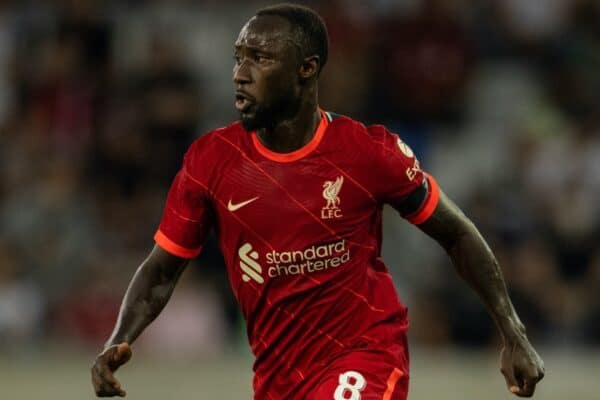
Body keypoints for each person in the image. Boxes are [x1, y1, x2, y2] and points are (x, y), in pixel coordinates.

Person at [91, 4, 545, 399]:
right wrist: (119, 338)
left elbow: (456, 232)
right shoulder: (211, 161)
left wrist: (512, 332)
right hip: (278, 378)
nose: (240, 73)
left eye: (260, 58)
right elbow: (161, 270)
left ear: (306, 69)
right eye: (238, 58)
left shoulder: (367, 153)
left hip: (366, 357)